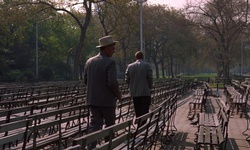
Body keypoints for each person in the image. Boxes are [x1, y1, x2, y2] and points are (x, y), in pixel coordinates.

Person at [83, 35, 121, 149]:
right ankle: (108, 147)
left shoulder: (89, 61)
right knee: (110, 127)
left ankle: (91, 147)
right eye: (113, 47)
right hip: (107, 101)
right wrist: (118, 94)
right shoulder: (110, 62)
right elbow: (112, 82)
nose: (114, 50)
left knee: (94, 126)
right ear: (106, 48)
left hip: (92, 100)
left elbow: (85, 81)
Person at [125, 51, 153, 125]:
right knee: (144, 110)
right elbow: (150, 78)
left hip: (134, 92)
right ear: (143, 57)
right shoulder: (147, 65)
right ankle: (142, 126)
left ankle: (139, 126)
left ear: (136, 57)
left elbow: (127, 79)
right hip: (145, 92)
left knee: (137, 110)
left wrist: (131, 86)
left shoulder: (130, 66)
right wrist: (150, 87)